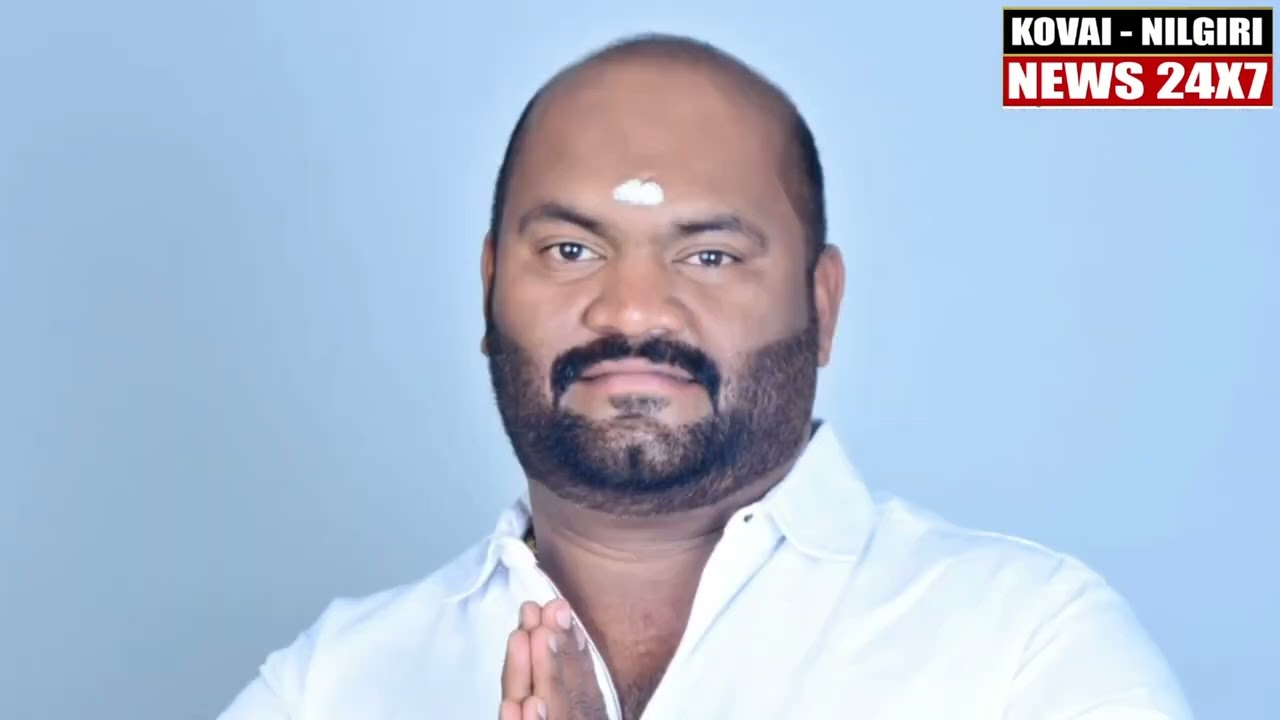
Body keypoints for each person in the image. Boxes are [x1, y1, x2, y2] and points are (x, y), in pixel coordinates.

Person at [217, 33, 1191, 720]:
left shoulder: (1025, 649)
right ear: (489, 290)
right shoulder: (330, 686)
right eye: (569, 250)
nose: (633, 310)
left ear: (821, 306)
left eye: (709, 256)